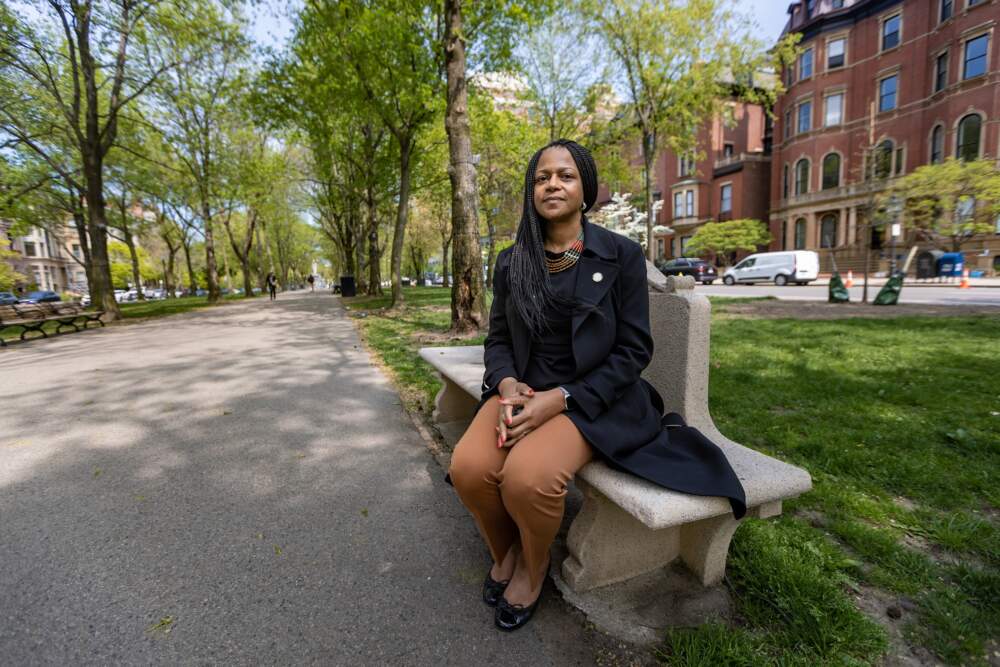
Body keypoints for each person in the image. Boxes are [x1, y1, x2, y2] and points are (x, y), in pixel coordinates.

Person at [447, 139, 746, 632]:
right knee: (469, 467)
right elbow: (498, 338)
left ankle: (534, 566)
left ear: (584, 186)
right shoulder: (511, 261)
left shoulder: (621, 255)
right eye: (542, 177)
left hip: (590, 397)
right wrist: (506, 385)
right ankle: (508, 551)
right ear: (531, 189)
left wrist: (561, 399)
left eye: (564, 175)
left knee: (528, 479)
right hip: (520, 393)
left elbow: (633, 350)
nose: (552, 185)